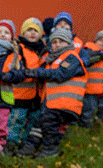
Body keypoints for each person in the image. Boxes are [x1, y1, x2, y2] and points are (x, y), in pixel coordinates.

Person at [17, 28, 87, 158]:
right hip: (52, 104)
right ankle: (29, 147)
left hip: (65, 103)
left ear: (69, 43)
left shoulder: (71, 57)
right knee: (39, 123)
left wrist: (37, 72)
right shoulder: (52, 60)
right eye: (54, 42)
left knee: (48, 124)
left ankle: (50, 149)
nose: (57, 44)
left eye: (61, 41)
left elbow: (61, 74)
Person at [0, 20, 25, 168]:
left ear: (12, 37)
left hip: (4, 99)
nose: (3, 35)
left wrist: (10, 76)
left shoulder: (15, 55)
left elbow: (21, 74)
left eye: (6, 32)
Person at [6, 17, 46, 156]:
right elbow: (17, 68)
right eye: (29, 30)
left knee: (33, 120)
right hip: (20, 95)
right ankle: (10, 143)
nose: (32, 33)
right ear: (23, 33)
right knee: (17, 120)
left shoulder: (43, 50)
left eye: (36, 30)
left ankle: (24, 142)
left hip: (36, 96)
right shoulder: (19, 49)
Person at [78, 31, 103, 129]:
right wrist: (98, 54)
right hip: (88, 88)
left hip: (94, 89)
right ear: (95, 41)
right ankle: (86, 125)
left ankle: (86, 124)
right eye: (101, 40)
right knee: (88, 108)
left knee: (91, 108)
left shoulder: (102, 53)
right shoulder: (90, 48)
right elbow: (88, 54)